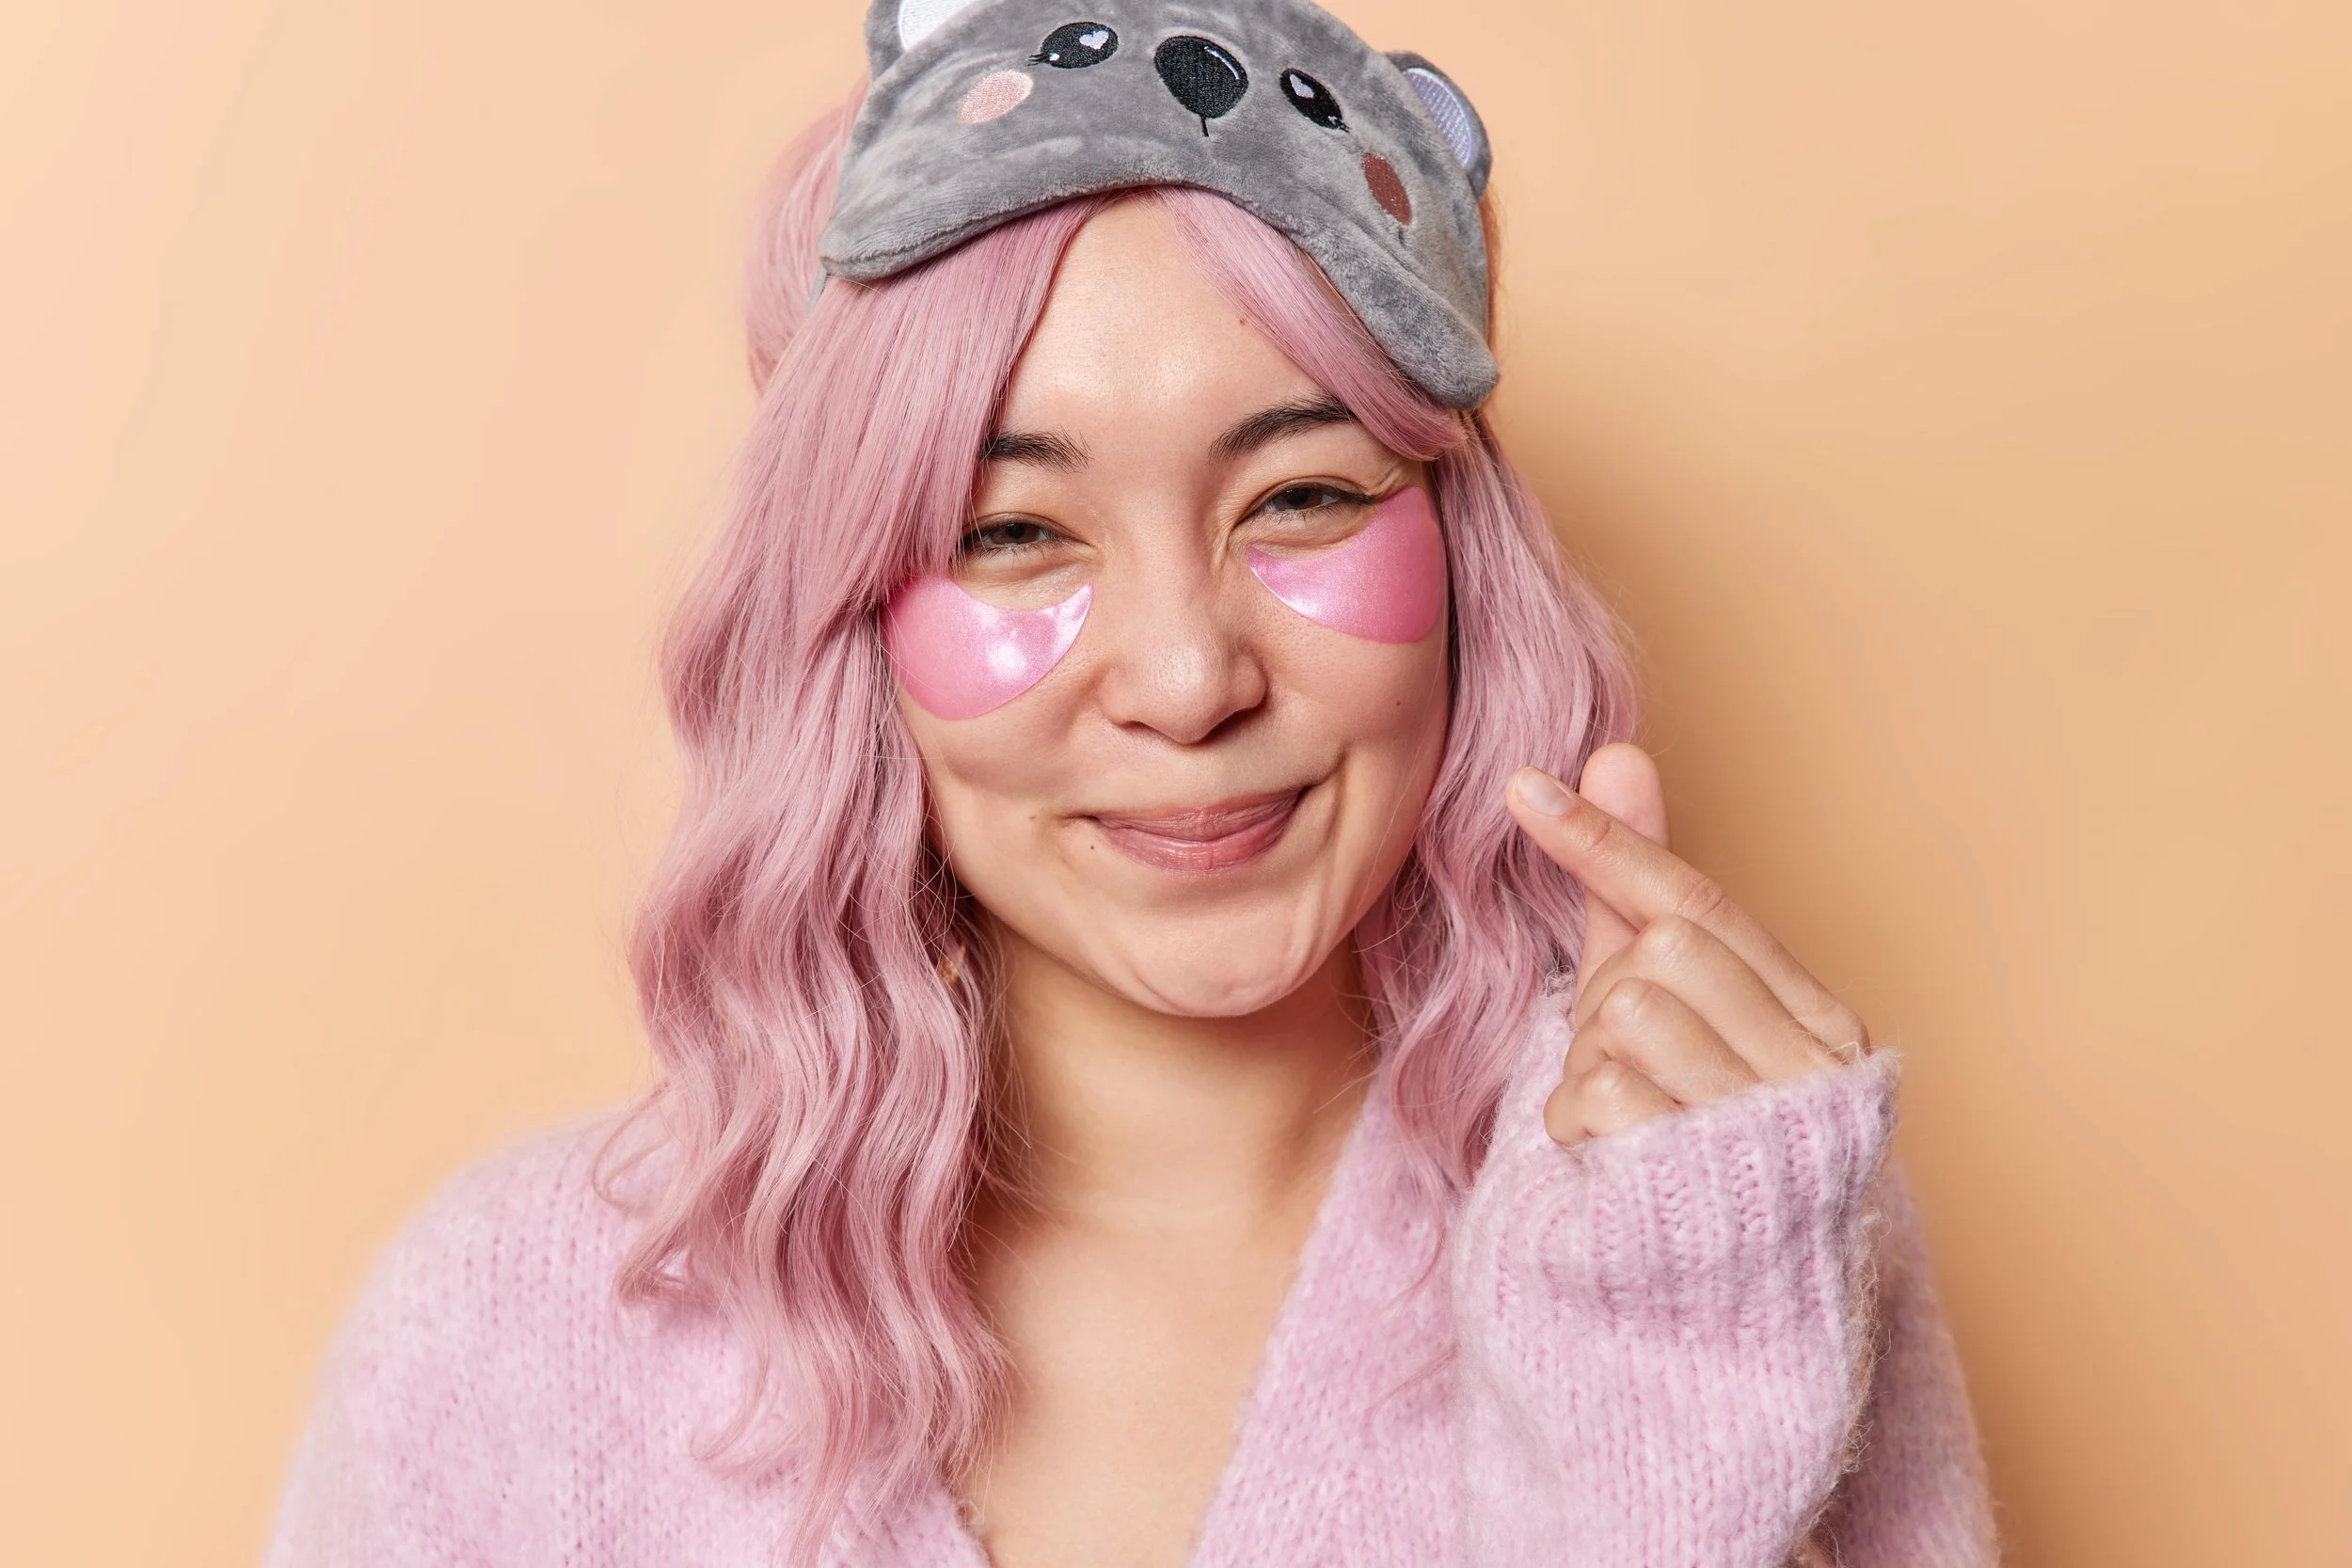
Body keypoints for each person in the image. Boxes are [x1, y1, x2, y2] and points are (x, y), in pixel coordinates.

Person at [264, 2, 1995, 1563]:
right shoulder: (503, 1343)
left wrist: (1668, 1382)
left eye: (1302, 497)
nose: (1186, 679)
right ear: (855, 623)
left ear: (1467, 565)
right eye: (1013, 532)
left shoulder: (1716, 1221)